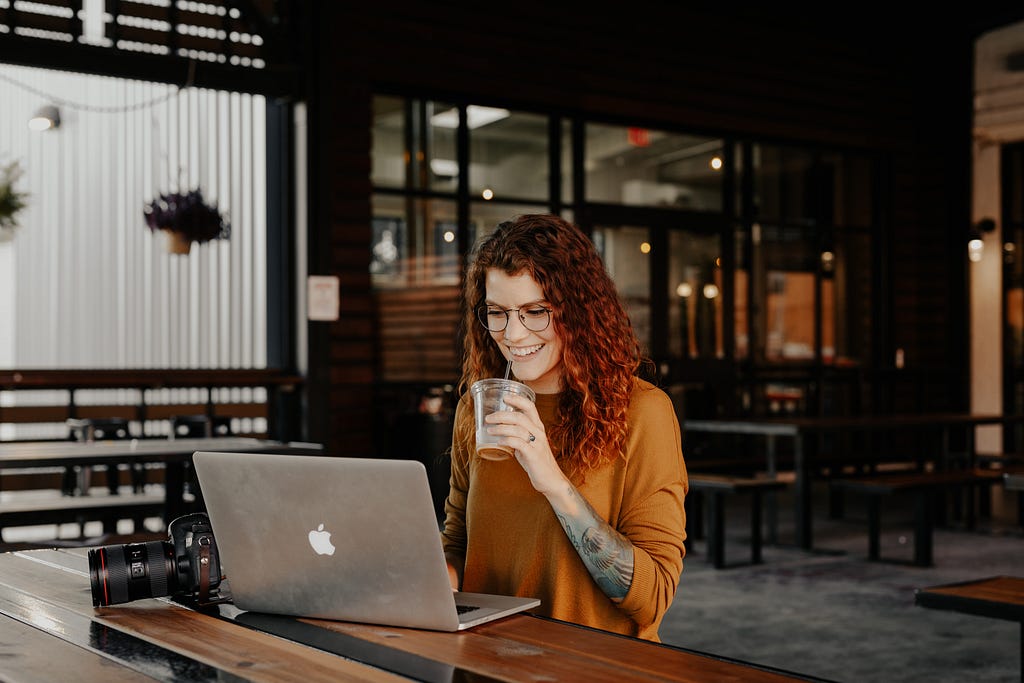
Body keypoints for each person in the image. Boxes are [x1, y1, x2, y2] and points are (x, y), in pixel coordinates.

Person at [441, 213, 688, 642]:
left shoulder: (643, 412)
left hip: (593, 666)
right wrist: (426, 577)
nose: (513, 334)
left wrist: (552, 480)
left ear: (578, 310)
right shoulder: (477, 409)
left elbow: (652, 598)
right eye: (497, 312)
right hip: (487, 662)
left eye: (536, 311)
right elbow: (460, 540)